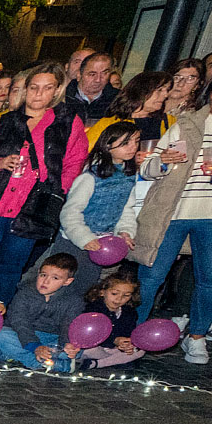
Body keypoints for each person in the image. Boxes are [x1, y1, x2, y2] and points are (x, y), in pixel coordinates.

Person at [130, 65, 212, 363]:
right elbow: (148, 167)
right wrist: (161, 161)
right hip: (171, 210)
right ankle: (132, 333)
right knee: (151, 275)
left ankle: (197, 336)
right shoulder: (187, 122)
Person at [0, 62, 87, 304]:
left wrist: (55, 191)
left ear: (56, 90)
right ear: (25, 89)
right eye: (34, 87)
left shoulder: (68, 123)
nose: (39, 93)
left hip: (32, 210)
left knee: (10, 268)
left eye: (46, 88)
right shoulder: (4, 122)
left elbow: (74, 163)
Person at [46, 123, 145, 298]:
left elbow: (125, 209)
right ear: (108, 145)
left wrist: (125, 231)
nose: (133, 147)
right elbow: (70, 212)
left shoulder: (128, 176)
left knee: (85, 288)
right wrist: (84, 238)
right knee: (58, 285)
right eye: (125, 143)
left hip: (101, 244)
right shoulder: (90, 176)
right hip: (73, 241)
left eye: (136, 142)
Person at [0, 251, 82, 372]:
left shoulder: (74, 300)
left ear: (67, 281)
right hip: (22, 335)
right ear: (38, 273)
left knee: (76, 350)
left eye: (55, 278)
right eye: (43, 275)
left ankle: (10, 354)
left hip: (52, 339)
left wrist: (68, 344)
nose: (46, 282)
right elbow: (19, 322)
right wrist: (34, 346)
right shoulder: (25, 292)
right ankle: (43, 363)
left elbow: (69, 326)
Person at [74, 271, 147, 370]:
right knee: (89, 350)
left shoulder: (129, 313)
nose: (119, 299)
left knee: (140, 350)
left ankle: (96, 364)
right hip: (95, 346)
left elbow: (128, 332)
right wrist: (114, 341)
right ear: (102, 292)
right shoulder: (93, 309)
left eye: (126, 295)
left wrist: (127, 344)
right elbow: (89, 335)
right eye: (114, 293)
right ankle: (111, 360)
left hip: (113, 349)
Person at [86, 71, 171, 151]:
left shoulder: (169, 122)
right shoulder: (110, 123)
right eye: (160, 90)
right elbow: (85, 152)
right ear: (141, 91)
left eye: (167, 90)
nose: (165, 95)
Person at [61, 51, 119, 128]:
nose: (98, 79)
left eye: (104, 73)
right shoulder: (62, 97)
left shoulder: (119, 100)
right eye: (92, 74)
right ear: (79, 75)